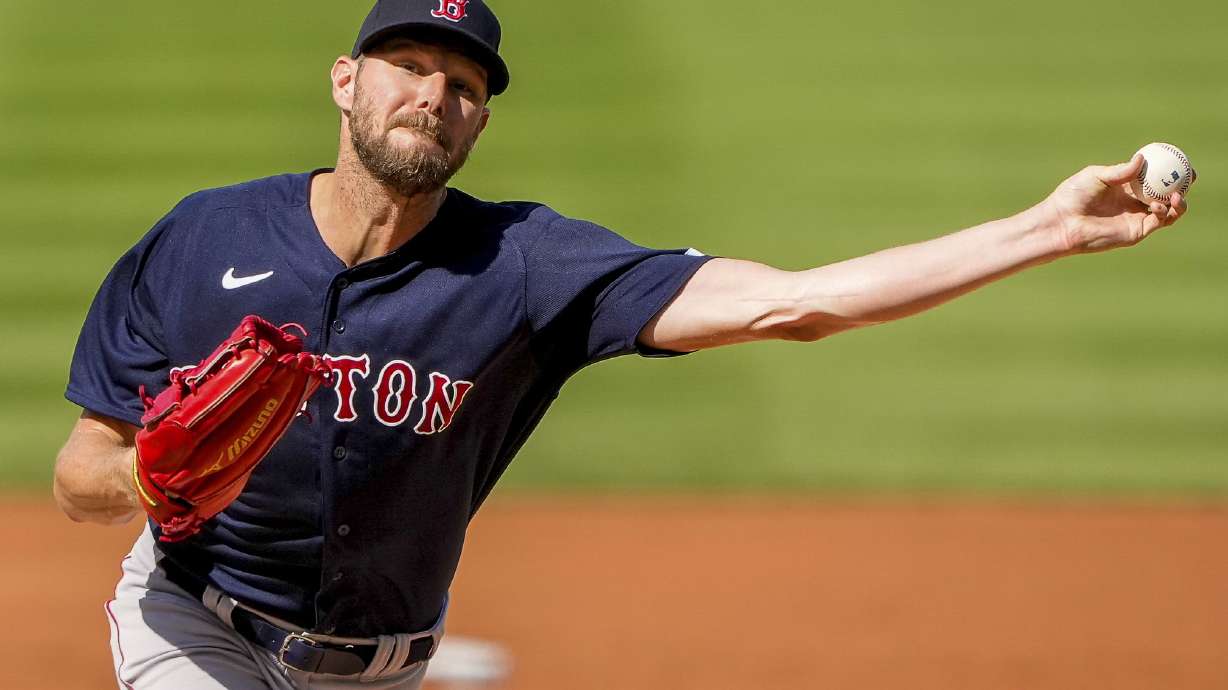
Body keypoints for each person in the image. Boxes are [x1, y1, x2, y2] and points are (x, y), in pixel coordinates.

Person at [52, 0, 1189, 688]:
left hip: (381, 659)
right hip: (189, 627)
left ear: (480, 120)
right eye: (409, 67)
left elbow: (789, 302)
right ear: (347, 80)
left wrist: (1041, 229)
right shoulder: (205, 238)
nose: (432, 95)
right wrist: (145, 478)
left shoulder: (527, 265)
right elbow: (79, 474)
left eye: (461, 85)